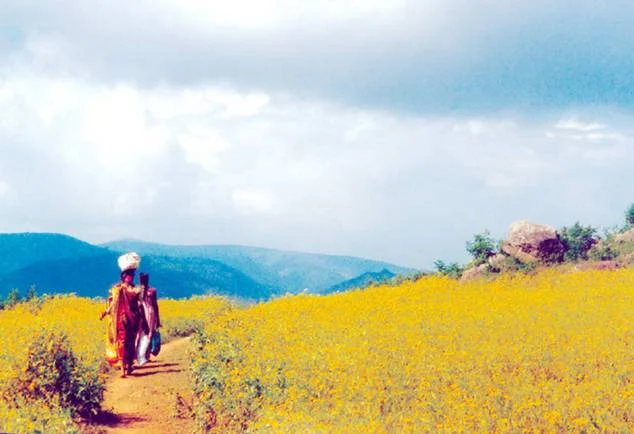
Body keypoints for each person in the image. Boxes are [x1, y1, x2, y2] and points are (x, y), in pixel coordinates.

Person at [101, 252, 143, 378]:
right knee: (122, 342)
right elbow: (112, 302)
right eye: (129, 275)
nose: (130, 277)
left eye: (132, 275)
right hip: (120, 319)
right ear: (124, 276)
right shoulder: (117, 289)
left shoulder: (135, 289)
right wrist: (106, 311)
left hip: (133, 319)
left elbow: (138, 300)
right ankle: (122, 368)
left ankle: (129, 365)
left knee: (130, 342)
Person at [136, 272, 161, 366]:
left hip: (150, 313)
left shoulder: (152, 290)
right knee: (140, 334)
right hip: (141, 313)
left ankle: (145, 355)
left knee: (149, 334)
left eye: (144, 278)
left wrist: (158, 319)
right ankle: (140, 356)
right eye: (142, 279)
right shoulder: (138, 290)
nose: (143, 280)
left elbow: (155, 304)